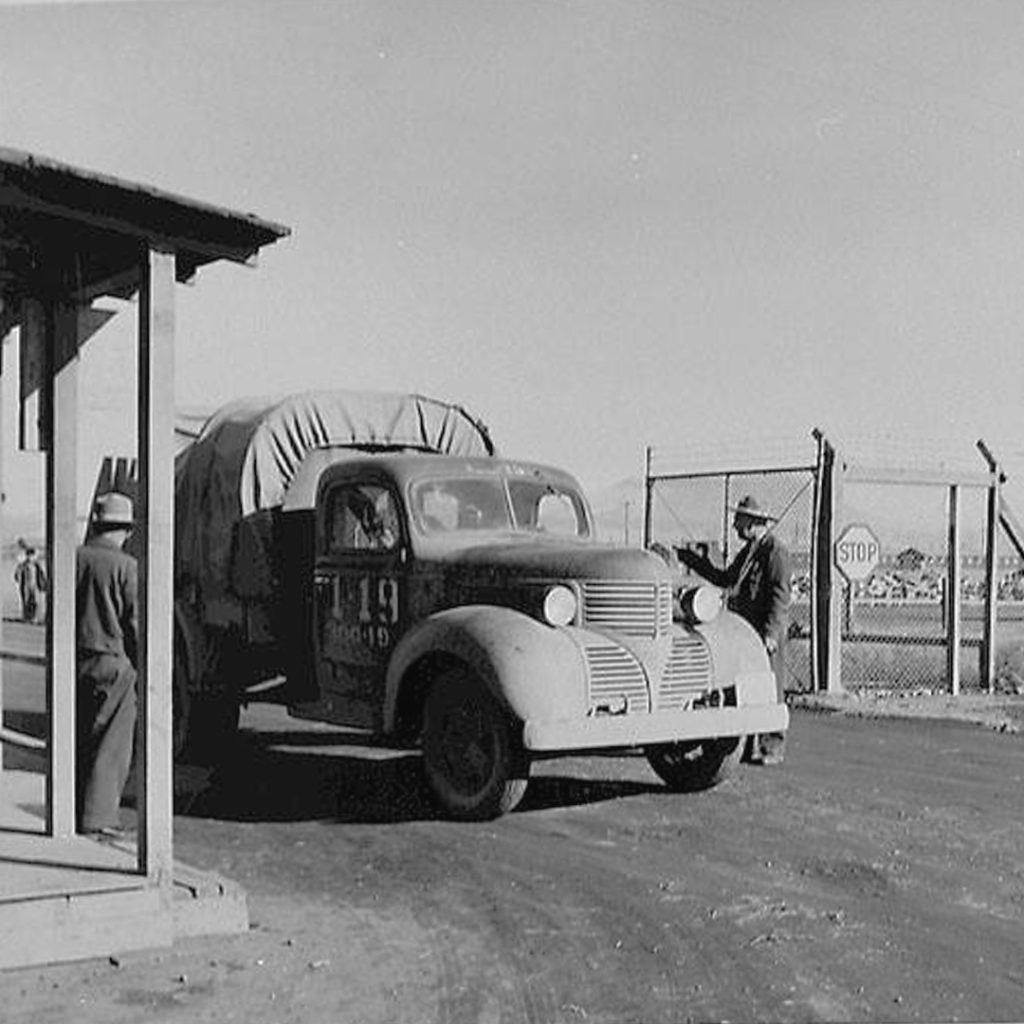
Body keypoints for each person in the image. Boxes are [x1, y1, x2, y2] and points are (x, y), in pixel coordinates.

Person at [670, 494, 791, 765]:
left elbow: (780, 597)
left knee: (770, 687)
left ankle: (772, 746)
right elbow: (726, 579)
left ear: (754, 522)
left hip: (764, 631)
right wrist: (693, 560)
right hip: (746, 631)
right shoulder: (749, 553)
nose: (736, 525)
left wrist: (771, 634)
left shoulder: (775, 553)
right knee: (748, 685)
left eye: (740, 519)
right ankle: (752, 746)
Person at [75, 492, 139, 838]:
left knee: (80, 739)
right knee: (110, 747)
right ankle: (98, 820)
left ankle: (73, 811)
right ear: (125, 530)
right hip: (114, 666)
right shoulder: (127, 567)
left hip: (76, 663)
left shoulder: (75, 559)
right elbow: (135, 624)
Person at [14, 546, 48, 623]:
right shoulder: (23, 565)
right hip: (25, 586)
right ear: (27, 556)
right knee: (26, 602)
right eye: (29, 555)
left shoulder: (37, 565)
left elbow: (41, 576)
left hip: (34, 586)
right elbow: (16, 575)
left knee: (34, 602)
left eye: (32, 556)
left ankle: (33, 617)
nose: (31, 557)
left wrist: (43, 585)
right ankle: (26, 617)